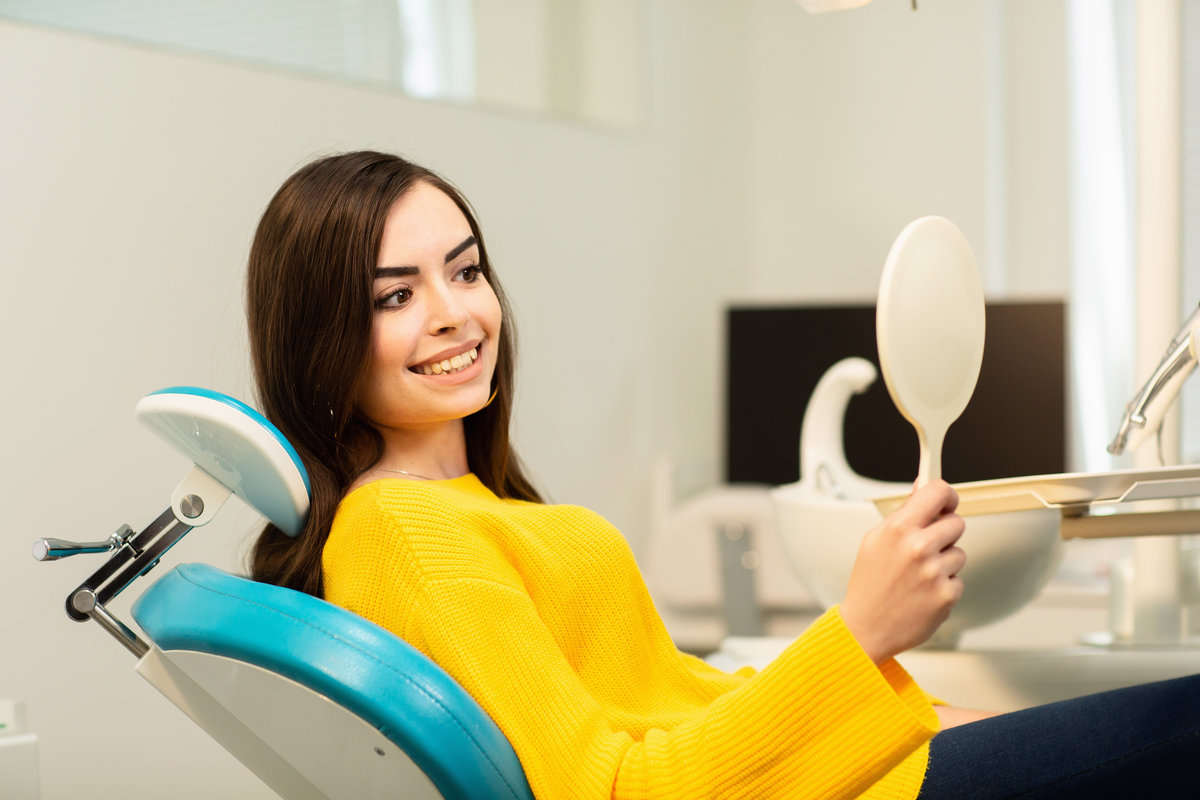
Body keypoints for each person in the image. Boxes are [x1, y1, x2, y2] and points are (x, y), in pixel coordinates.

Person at [244, 150, 1200, 799]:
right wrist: (858, 632)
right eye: (398, 296)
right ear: (322, 338)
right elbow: (617, 790)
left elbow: (667, 696)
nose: (455, 313)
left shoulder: (473, 509)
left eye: (466, 270)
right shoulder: (404, 531)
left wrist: (912, 709)